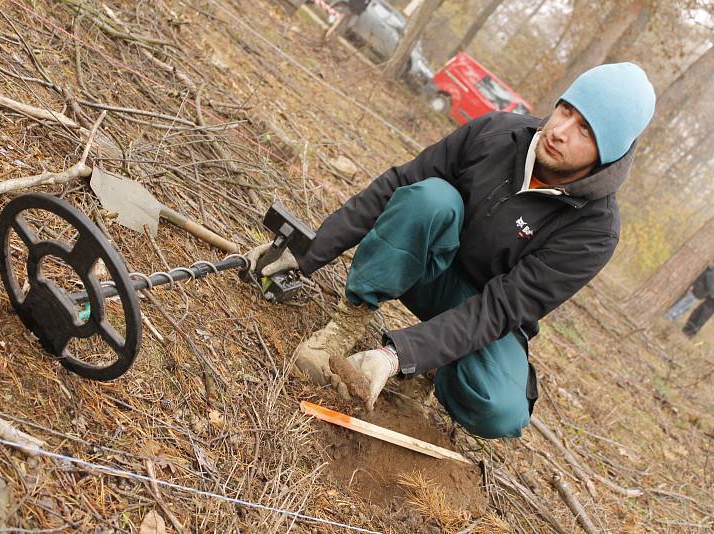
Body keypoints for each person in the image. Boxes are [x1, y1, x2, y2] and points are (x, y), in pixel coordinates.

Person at [248, 63, 655, 439]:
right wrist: (307, 252)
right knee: (430, 199)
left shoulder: (596, 230)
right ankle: (345, 327)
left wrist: (396, 357)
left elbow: (500, 309)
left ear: (609, 153)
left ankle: (428, 373)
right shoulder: (495, 133)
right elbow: (398, 184)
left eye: (585, 130)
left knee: (502, 409)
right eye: (566, 110)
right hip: (426, 266)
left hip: (486, 311)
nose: (561, 130)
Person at [682, 264, 714, 337]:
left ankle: (688, 333)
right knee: (698, 313)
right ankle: (686, 331)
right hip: (710, 300)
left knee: (702, 316)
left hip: (712, 303)